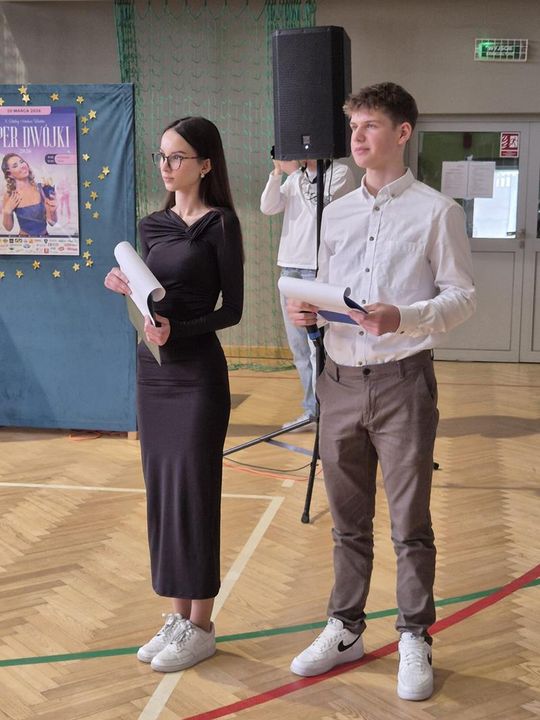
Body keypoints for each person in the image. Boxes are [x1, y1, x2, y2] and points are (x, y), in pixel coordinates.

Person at [287, 82, 476, 701]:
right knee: (347, 522)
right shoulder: (336, 212)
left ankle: (414, 635)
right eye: (353, 127)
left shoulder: (437, 211)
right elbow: (324, 287)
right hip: (338, 379)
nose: (358, 137)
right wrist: (307, 311)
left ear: (402, 133)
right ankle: (345, 627)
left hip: (403, 382)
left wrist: (406, 317)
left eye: (369, 125)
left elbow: (462, 297)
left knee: (409, 522)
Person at [104, 116, 243, 673]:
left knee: (195, 493)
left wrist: (176, 331)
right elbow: (151, 299)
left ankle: (202, 625)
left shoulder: (221, 224)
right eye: (161, 156)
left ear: (205, 164)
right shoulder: (151, 225)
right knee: (163, 492)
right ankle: (177, 616)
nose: (166, 166)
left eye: (177, 156)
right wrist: (125, 288)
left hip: (197, 375)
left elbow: (232, 310)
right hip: (153, 371)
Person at [260, 156, 355, 429]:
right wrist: (277, 173)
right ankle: (311, 411)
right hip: (289, 268)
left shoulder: (340, 173)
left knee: (318, 348)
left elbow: (320, 210)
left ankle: (328, 411)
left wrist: (295, 174)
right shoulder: (295, 179)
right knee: (299, 349)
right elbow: (268, 206)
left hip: (317, 268)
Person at [1, 153, 57, 236]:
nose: (22, 166)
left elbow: (52, 223)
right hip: (23, 241)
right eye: (15, 166)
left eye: (22, 162)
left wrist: (53, 211)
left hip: (44, 240)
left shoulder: (43, 189)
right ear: (10, 174)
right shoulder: (10, 195)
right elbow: (8, 228)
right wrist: (7, 211)